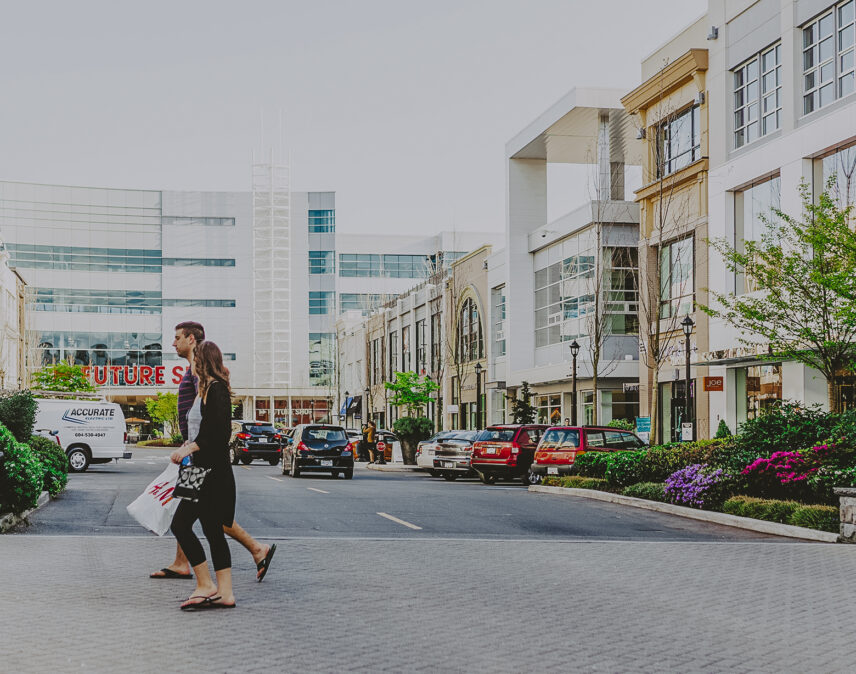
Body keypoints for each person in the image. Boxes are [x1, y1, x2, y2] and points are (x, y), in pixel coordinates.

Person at [150, 322, 275, 583]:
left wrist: (192, 446)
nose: (173, 343)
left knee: (208, 515)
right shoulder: (194, 370)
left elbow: (213, 423)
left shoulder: (202, 374)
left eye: (177, 338)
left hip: (201, 458)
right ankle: (183, 563)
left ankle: (253, 551)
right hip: (193, 455)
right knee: (188, 512)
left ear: (191, 339)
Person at [170, 340, 236, 609]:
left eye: (195, 359)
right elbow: (201, 431)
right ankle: (225, 593)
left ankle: (206, 585)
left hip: (210, 472)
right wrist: (189, 447)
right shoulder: (203, 390)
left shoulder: (216, 390)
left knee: (181, 525)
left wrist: (191, 447)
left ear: (203, 360)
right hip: (198, 469)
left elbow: (221, 435)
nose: (191, 364)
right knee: (211, 530)